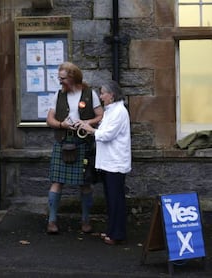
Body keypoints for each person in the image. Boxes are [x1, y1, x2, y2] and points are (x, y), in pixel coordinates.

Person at [46, 62, 103, 234]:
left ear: (73, 77)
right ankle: (52, 221)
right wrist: (62, 124)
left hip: (83, 143)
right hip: (63, 142)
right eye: (59, 78)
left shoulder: (89, 94)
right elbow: (49, 120)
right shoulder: (58, 95)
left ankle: (86, 221)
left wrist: (87, 122)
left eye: (63, 78)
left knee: (85, 183)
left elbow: (101, 115)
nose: (60, 81)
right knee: (57, 182)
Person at [80, 80, 131, 245]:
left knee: (116, 200)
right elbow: (103, 130)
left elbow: (107, 135)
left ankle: (117, 234)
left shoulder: (119, 112)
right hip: (109, 162)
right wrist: (89, 125)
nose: (101, 96)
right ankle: (112, 231)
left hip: (115, 163)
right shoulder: (111, 110)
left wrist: (91, 130)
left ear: (112, 95)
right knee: (111, 199)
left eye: (103, 93)